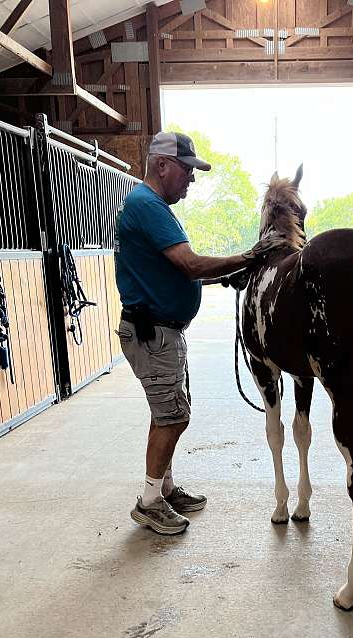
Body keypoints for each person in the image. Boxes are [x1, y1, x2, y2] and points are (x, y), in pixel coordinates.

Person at [114, 131, 278, 536]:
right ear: (162, 165)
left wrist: (225, 275)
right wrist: (247, 257)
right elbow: (188, 264)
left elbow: (171, 272)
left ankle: (164, 487)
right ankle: (150, 501)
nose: (192, 179)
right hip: (154, 334)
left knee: (170, 411)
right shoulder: (147, 205)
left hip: (161, 331)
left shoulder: (150, 206)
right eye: (187, 171)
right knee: (172, 416)